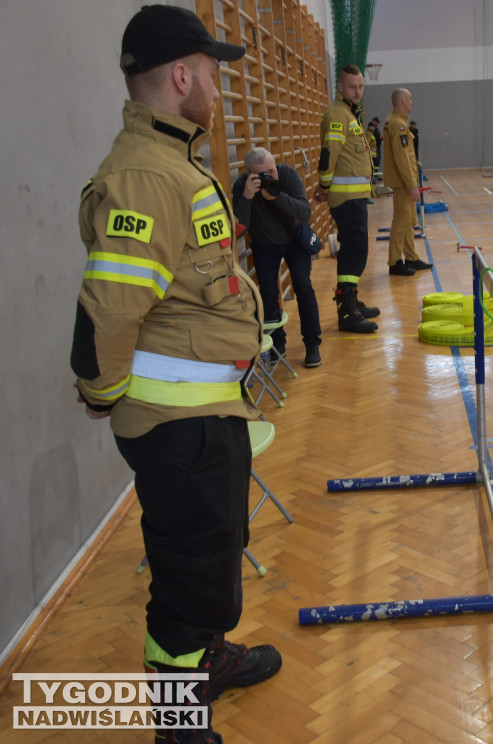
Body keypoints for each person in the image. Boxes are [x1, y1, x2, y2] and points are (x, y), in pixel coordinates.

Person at [70, 6, 282, 742]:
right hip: (175, 424)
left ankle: (209, 659)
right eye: (214, 72)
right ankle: (180, 726)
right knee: (190, 578)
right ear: (182, 76)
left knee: (212, 552)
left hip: (202, 414)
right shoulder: (146, 174)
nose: (221, 88)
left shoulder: (171, 159)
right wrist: (100, 391)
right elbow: (108, 309)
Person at [232, 148, 322, 368]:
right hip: (265, 245)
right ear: (250, 174)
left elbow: (304, 212)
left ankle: (312, 343)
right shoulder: (242, 187)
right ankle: (276, 344)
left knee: (303, 287)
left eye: (271, 169)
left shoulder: (288, 174)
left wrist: (277, 196)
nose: (270, 176)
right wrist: (247, 197)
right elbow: (239, 229)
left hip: (294, 241)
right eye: (263, 174)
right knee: (268, 294)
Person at [315, 63, 378, 333]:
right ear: (340, 87)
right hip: (346, 199)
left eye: (361, 86)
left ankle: (352, 301)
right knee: (354, 252)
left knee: (357, 251)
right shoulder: (338, 115)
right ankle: (346, 312)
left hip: (355, 197)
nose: (357, 91)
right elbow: (329, 155)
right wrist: (324, 186)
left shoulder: (349, 113)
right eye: (352, 86)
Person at [382, 88, 433, 276]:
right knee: (401, 222)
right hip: (404, 184)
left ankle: (411, 256)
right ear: (403, 101)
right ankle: (394, 262)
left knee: (409, 221)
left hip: (405, 181)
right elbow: (402, 158)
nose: (412, 102)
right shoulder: (398, 125)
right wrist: (412, 186)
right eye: (410, 99)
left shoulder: (397, 122)